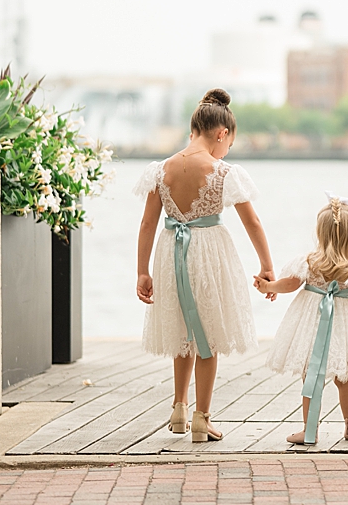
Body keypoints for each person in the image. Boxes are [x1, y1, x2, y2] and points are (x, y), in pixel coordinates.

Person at [134, 89, 275, 442]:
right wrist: (266, 265)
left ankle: (178, 409)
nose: (226, 151)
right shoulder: (223, 171)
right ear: (221, 134)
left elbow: (148, 224)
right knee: (208, 335)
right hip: (209, 255)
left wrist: (142, 270)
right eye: (228, 143)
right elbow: (253, 223)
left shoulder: (161, 169)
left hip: (170, 254)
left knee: (183, 333)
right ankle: (202, 417)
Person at [255, 195, 348, 445]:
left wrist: (269, 285)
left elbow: (289, 284)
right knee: (345, 378)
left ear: (319, 234)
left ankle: (310, 430)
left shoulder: (309, 263)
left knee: (311, 375)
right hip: (344, 326)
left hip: (311, 322)